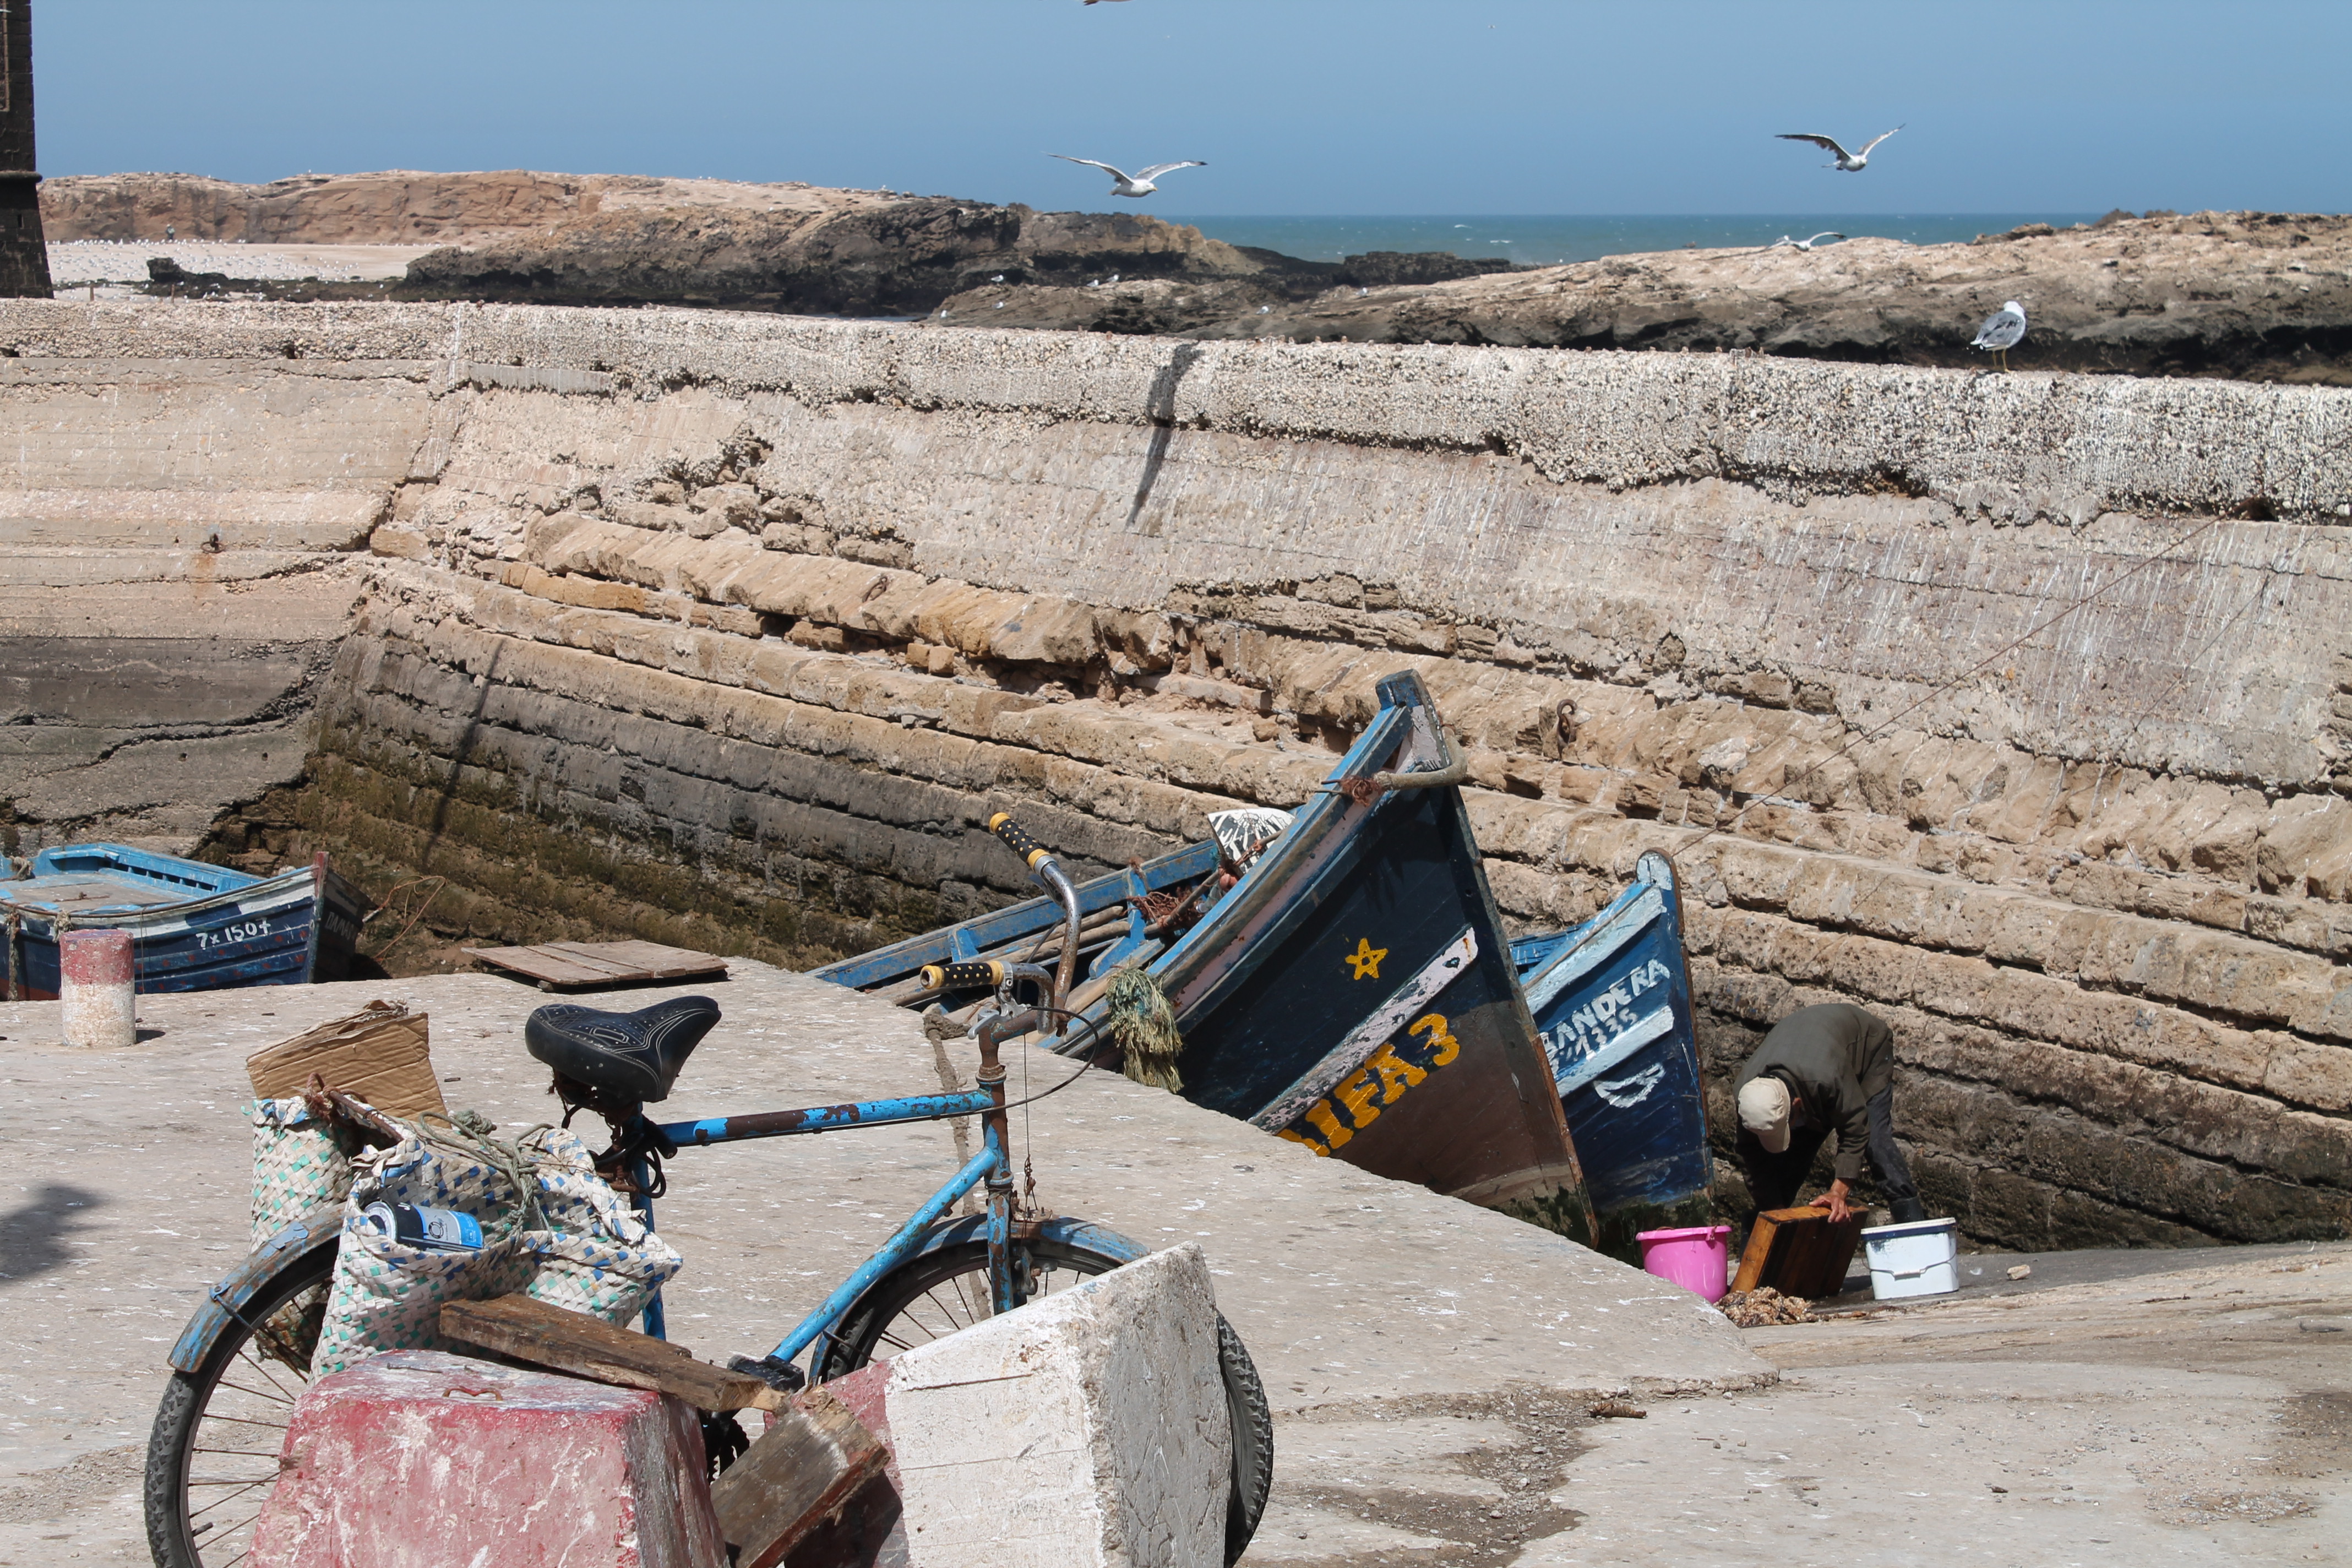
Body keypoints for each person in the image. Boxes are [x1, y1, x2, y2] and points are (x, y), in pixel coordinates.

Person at [1733, 1003, 1928, 1225]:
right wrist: (1775, 1212)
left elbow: (1856, 1129)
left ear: (1797, 1105)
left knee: (1876, 1142)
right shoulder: (1747, 1095)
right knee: (1788, 1163)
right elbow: (1749, 1153)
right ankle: (1761, 1237)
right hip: (1813, 1055)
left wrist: (1838, 1192)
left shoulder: (1826, 1079)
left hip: (1865, 1049)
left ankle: (1912, 1221)